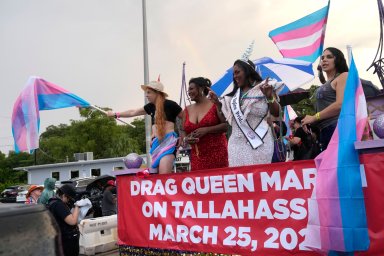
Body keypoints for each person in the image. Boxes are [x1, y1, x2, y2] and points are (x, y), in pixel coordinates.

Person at [208, 59, 280, 167]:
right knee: (240, 179)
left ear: (247, 71)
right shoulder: (232, 97)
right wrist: (218, 104)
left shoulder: (264, 88)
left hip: (260, 142)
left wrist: (269, 97)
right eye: (233, 74)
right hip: (236, 145)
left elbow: (277, 112)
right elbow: (225, 121)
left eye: (238, 72)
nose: (235, 76)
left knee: (258, 179)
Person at [107, 81, 183, 174]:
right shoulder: (150, 107)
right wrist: (116, 114)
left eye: (149, 92)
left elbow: (185, 117)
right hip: (156, 144)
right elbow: (133, 112)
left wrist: (182, 136)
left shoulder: (171, 105)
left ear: (157, 93)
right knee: (157, 173)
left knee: (163, 174)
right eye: (146, 93)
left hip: (168, 143)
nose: (146, 95)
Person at [302, 47, 349, 151]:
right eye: (322, 58)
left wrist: (314, 117)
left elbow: (340, 105)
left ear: (338, 60)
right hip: (324, 131)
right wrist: (310, 123)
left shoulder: (343, 76)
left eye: (329, 57)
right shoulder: (326, 84)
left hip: (338, 127)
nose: (324, 60)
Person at [182, 77, 228, 171]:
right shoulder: (186, 110)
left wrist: (207, 130)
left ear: (202, 88)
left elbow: (226, 125)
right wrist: (186, 139)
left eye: (191, 89)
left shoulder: (214, 104)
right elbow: (183, 131)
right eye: (188, 90)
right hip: (197, 157)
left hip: (217, 154)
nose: (189, 92)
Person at [47, 184, 80, 256]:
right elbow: (72, 221)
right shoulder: (58, 205)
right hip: (66, 240)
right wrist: (77, 207)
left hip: (59, 237)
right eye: (69, 198)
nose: (69, 201)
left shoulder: (52, 202)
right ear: (64, 195)